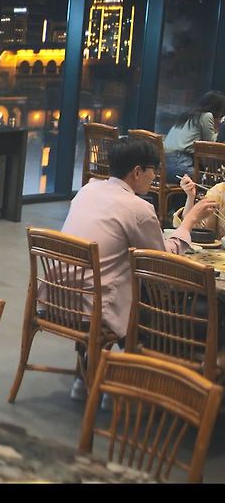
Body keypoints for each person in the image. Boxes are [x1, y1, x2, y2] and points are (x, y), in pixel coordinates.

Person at [59, 137, 218, 400]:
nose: (155, 177)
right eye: (153, 170)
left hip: (60, 297)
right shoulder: (138, 208)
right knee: (164, 304)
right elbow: (161, 262)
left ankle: (86, 375)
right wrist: (190, 220)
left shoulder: (88, 190)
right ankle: (125, 383)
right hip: (97, 306)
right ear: (137, 171)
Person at [163, 91, 225, 182]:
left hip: (165, 166)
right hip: (182, 165)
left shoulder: (187, 115)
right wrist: (222, 126)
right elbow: (212, 145)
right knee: (213, 181)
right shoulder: (206, 116)